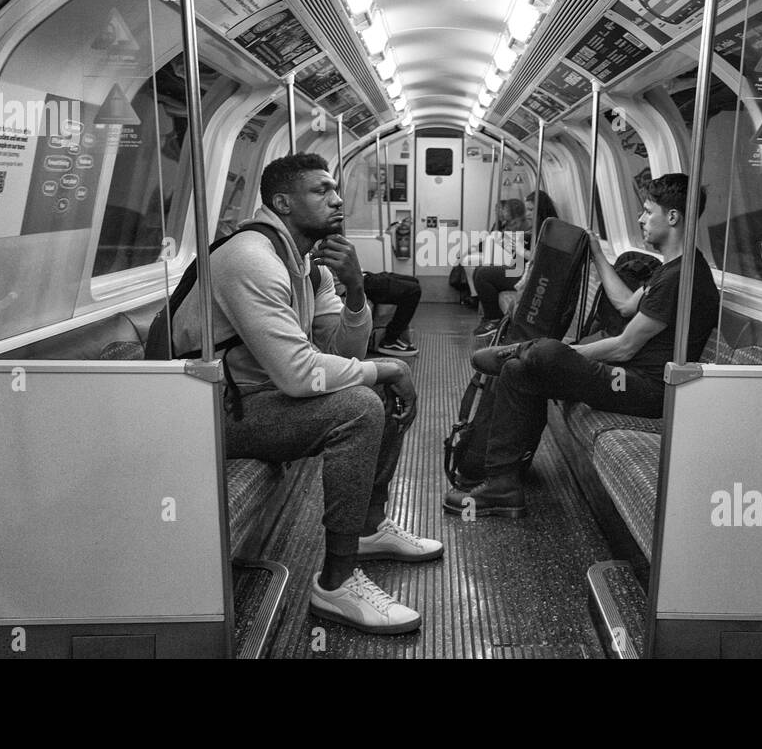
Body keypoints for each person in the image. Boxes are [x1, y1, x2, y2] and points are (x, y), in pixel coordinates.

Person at [173, 153, 442, 634]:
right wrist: (387, 366)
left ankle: (369, 527)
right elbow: (300, 375)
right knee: (361, 404)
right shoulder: (251, 259)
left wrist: (357, 292)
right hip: (202, 412)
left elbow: (340, 351)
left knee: (374, 393)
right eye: (321, 190)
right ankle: (336, 584)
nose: (338, 200)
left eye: (336, 189)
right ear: (282, 202)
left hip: (253, 398)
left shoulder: (307, 267)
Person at [444, 174, 719, 517]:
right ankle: (504, 483)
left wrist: (557, 356)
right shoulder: (670, 270)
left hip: (645, 389)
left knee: (543, 354)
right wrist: (598, 255)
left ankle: (525, 350)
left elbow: (624, 348)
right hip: (626, 376)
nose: (640, 220)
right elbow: (624, 305)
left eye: (648, 212)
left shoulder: (684, 278)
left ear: (673, 217)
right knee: (519, 371)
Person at [473, 190, 557, 335]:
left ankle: (494, 319)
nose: (527, 213)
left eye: (531, 209)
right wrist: (508, 246)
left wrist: (521, 250)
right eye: (527, 209)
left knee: (483, 275)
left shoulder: (550, 229)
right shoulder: (537, 228)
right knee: (479, 270)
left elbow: (543, 260)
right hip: (524, 270)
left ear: (540, 209)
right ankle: (490, 318)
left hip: (537, 278)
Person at [362, 269, 421, 356]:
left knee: (414, 280)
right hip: (356, 282)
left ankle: (396, 336)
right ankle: (389, 340)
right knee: (413, 291)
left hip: (362, 275)